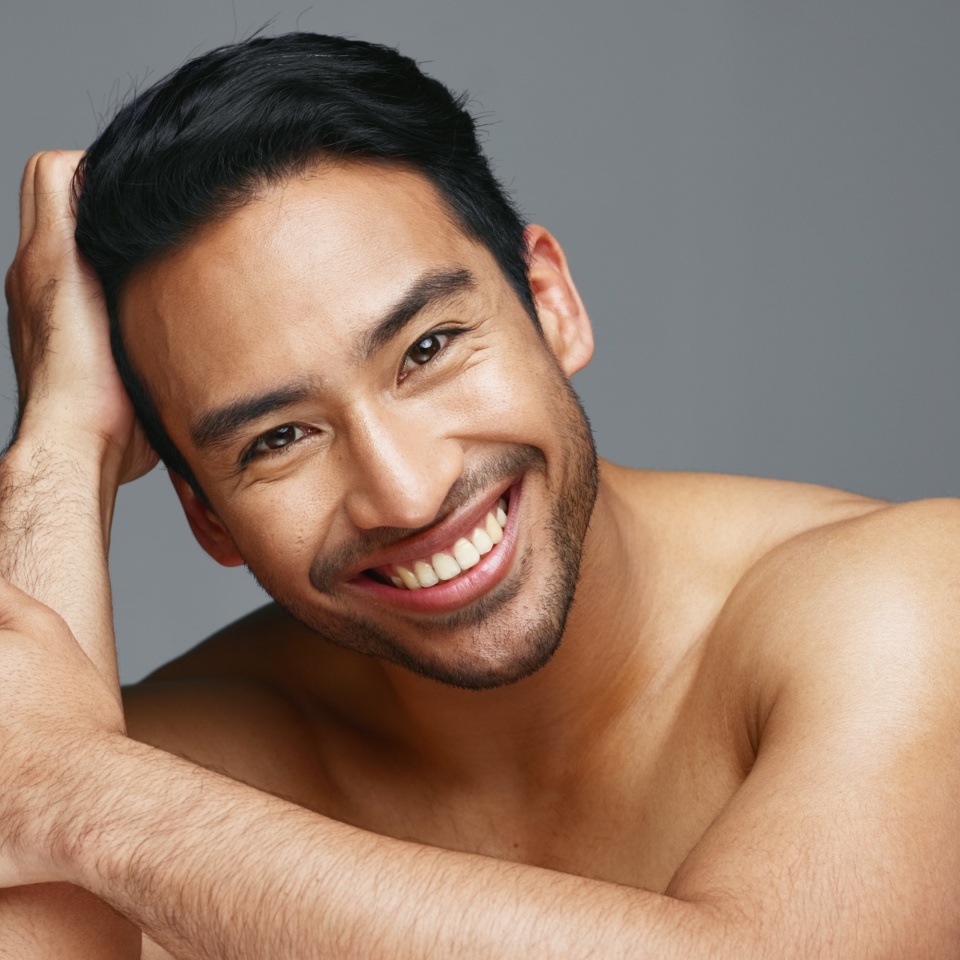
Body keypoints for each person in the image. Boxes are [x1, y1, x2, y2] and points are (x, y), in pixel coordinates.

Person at [1, 31, 958, 959]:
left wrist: (80, 799)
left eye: (427, 349)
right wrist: (61, 440)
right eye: (280, 438)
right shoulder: (166, 764)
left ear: (552, 303)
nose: (407, 493)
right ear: (208, 516)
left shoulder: (905, 603)